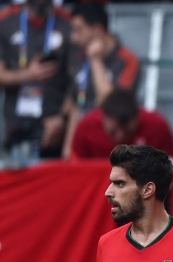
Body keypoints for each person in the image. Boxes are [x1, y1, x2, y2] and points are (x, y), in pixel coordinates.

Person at [63, 3, 140, 158]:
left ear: (97, 30)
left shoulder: (127, 61)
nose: (73, 37)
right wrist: (68, 149)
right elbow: (76, 105)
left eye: (78, 30)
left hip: (113, 147)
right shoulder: (78, 57)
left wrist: (96, 61)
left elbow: (114, 105)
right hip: (84, 144)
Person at [0, 0, 71, 159]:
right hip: (15, 122)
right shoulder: (5, 20)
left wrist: (61, 117)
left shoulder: (69, 22)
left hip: (54, 124)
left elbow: (78, 81)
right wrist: (28, 75)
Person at [71, 88, 173, 159]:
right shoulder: (86, 126)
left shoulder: (156, 125)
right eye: (113, 132)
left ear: (138, 117)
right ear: (103, 117)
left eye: (128, 132)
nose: (120, 137)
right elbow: (76, 165)